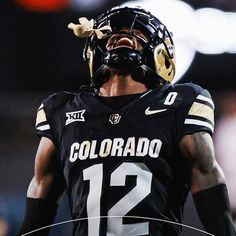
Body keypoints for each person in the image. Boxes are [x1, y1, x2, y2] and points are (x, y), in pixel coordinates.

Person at [17, 6, 235, 236]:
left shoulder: (179, 103)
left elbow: (206, 174)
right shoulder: (62, 110)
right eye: (114, 34)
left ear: (162, 56)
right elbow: (42, 190)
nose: (124, 36)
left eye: (139, 35)